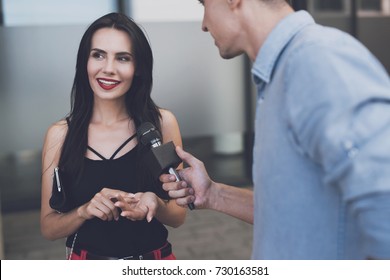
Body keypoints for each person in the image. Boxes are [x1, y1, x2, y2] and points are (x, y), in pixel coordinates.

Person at [161, 0, 390, 259]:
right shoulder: (281, 74)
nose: (204, 24)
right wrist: (213, 194)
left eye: (204, 4)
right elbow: (293, 211)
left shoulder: (315, 59)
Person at [40, 12, 186, 260]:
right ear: (84, 61)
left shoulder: (161, 124)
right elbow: (48, 227)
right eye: (98, 55)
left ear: (138, 68)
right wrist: (84, 211)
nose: (108, 69)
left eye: (123, 58)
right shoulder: (60, 135)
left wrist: (156, 203)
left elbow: (178, 216)